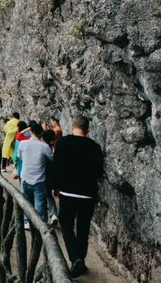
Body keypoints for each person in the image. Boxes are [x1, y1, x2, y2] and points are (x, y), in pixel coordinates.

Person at [53, 115, 104, 278]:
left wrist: (55, 187)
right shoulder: (95, 147)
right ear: (88, 130)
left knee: (66, 225)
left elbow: (56, 166)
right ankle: (80, 259)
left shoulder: (62, 143)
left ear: (72, 126)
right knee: (83, 228)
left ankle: (76, 259)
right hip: (88, 194)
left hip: (67, 192)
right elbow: (98, 172)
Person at [18, 122, 53, 228]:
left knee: (26, 202)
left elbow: (20, 157)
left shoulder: (23, 143)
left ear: (31, 132)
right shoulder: (44, 146)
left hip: (25, 177)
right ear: (41, 133)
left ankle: (26, 222)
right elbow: (52, 158)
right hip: (39, 180)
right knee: (39, 204)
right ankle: (38, 224)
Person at [42, 129, 58, 225]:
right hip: (50, 175)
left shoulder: (42, 147)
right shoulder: (52, 147)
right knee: (49, 196)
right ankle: (53, 214)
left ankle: (45, 218)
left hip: (42, 175)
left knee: (42, 197)